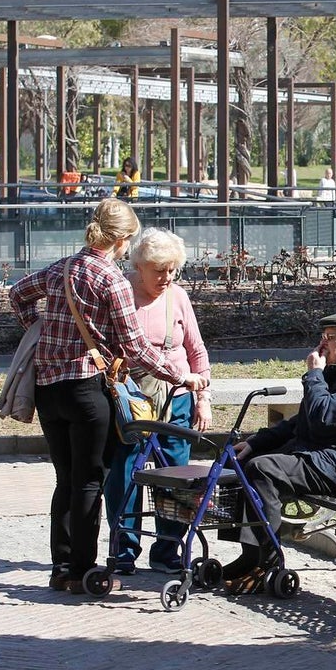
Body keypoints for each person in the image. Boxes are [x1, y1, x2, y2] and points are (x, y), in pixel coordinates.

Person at [9, 199, 208, 594]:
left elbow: (17, 294)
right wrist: (180, 376)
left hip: (49, 390)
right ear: (123, 240)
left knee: (64, 480)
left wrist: (42, 328)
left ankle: (62, 567)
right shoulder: (111, 280)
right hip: (86, 389)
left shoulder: (62, 268)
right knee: (89, 482)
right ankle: (84, 571)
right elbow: (134, 347)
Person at [219, 311, 336, 594]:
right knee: (241, 460)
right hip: (324, 458)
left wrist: (314, 374)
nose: (322, 345)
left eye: (330, 337)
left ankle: (268, 563)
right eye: (322, 337)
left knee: (264, 470)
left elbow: (322, 418)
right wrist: (255, 442)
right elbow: (302, 420)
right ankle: (250, 556)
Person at [103, 228, 213, 576]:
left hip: (177, 397)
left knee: (177, 475)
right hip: (132, 399)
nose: (166, 278)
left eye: (172, 270)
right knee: (125, 472)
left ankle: (168, 549)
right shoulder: (121, 292)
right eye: (159, 270)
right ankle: (124, 549)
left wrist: (203, 397)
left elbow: (196, 349)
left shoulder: (178, 296)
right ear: (139, 266)